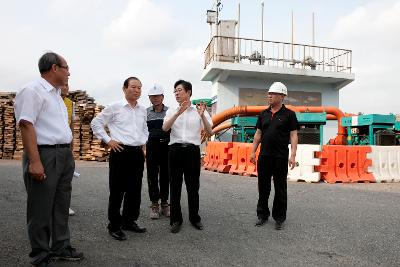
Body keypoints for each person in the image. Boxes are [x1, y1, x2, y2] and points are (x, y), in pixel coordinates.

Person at [14, 52, 84, 267]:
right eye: (66, 67)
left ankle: (61, 246)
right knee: (41, 206)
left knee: (61, 204)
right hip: (44, 154)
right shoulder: (32, 91)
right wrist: (35, 161)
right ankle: (40, 253)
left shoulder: (56, 95)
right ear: (54, 68)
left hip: (63, 154)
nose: (69, 72)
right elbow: (26, 125)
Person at [91, 77, 148, 241]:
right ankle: (114, 225)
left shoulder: (142, 110)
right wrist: (108, 140)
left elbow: (145, 129)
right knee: (117, 190)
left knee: (134, 190)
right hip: (120, 151)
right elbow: (96, 123)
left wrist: (143, 142)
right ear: (124, 89)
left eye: (139, 87)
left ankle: (129, 221)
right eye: (133, 87)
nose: (137, 90)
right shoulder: (115, 107)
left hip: (137, 153)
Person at [162, 79, 213, 233]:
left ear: (189, 92)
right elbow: (165, 128)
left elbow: (210, 132)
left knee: (193, 186)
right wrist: (178, 113)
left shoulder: (199, 111)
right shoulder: (172, 110)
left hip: (192, 151)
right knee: (175, 186)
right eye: (175, 91)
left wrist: (202, 116)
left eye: (179, 90)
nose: (176, 93)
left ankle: (194, 218)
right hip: (175, 150)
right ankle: (176, 219)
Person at [250, 82, 299, 231]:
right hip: (264, 156)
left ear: (282, 96)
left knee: (280, 188)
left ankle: (279, 218)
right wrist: (253, 151)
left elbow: (294, 135)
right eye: (268, 93)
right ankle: (262, 215)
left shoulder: (289, 115)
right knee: (263, 188)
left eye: (273, 94)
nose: (269, 96)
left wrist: (293, 156)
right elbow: (258, 134)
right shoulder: (263, 114)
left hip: (280, 157)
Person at [146, 84, 170, 219]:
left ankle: (165, 203)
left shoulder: (169, 112)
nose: (155, 98)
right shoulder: (146, 112)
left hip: (167, 147)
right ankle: (154, 204)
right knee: (152, 176)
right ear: (149, 98)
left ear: (162, 97)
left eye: (158, 96)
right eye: (152, 96)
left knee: (166, 176)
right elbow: (142, 131)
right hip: (151, 147)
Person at [60, 83, 76, 216]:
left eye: (67, 86)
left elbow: (72, 124)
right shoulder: (51, 101)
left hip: (66, 145)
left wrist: (72, 144)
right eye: (64, 85)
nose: (66, 88)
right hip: (53, 144)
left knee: (66, 179)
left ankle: (65, 205)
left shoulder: (70, 103)